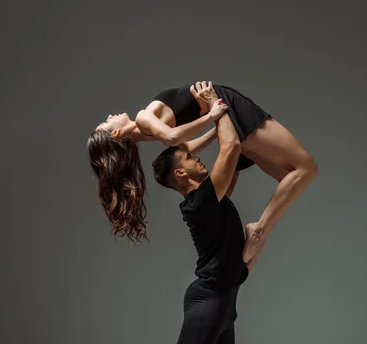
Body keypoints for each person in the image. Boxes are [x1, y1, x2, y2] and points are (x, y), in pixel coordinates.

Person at [114, 99, 261, 344]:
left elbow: (234, 155)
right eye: (193, 157)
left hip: (223, 302)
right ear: (182, 172)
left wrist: (216, 126)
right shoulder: (200, 202)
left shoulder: (209, 195)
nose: (200, 159)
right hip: (208, 302)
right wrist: (220, 106)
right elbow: (230, 151)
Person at [88, 81, 318, 269]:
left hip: (222, 112)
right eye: (107, 122)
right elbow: (173, 138)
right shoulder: (142, 118)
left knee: (294, 177)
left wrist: (218, 127)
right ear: (116, 134)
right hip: (222, 105)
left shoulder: (144, 131)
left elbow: (186, 146)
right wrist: (213, 116)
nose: (110, 115)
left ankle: (257, 234)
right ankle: (259, 231)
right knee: (304, 170)